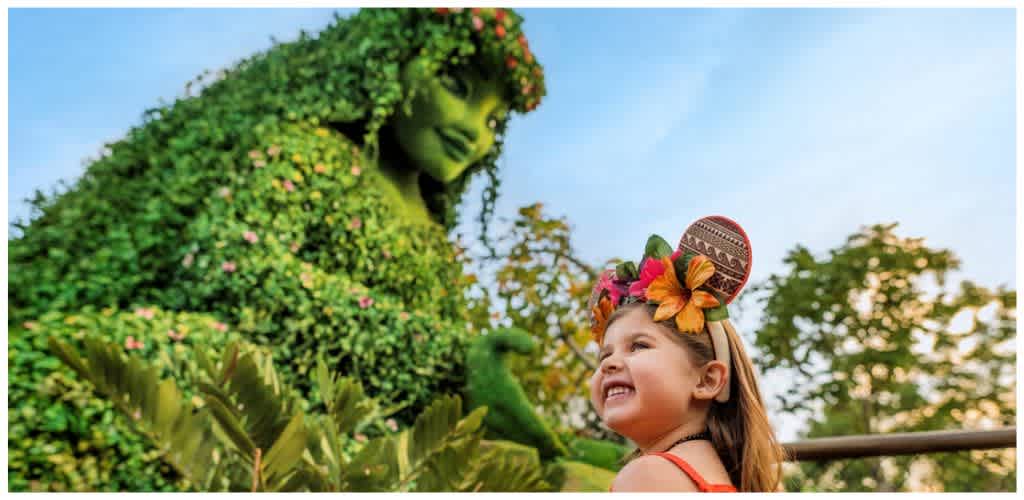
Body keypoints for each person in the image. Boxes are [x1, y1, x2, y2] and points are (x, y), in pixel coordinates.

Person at [8, 7, 552, 491]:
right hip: (255, 408)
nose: (472, 131)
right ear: (388, 65)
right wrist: (450, 361)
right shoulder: (312, 152)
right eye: (456, 87)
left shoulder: (434, 237)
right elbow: (232, 269)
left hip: (384, 443)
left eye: (492, 120)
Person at [586, 216, 786, 492]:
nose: (609, 364)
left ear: (707, 380)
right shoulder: (710, 477)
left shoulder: (648, 476)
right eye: (604, 356)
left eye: (639, 346)